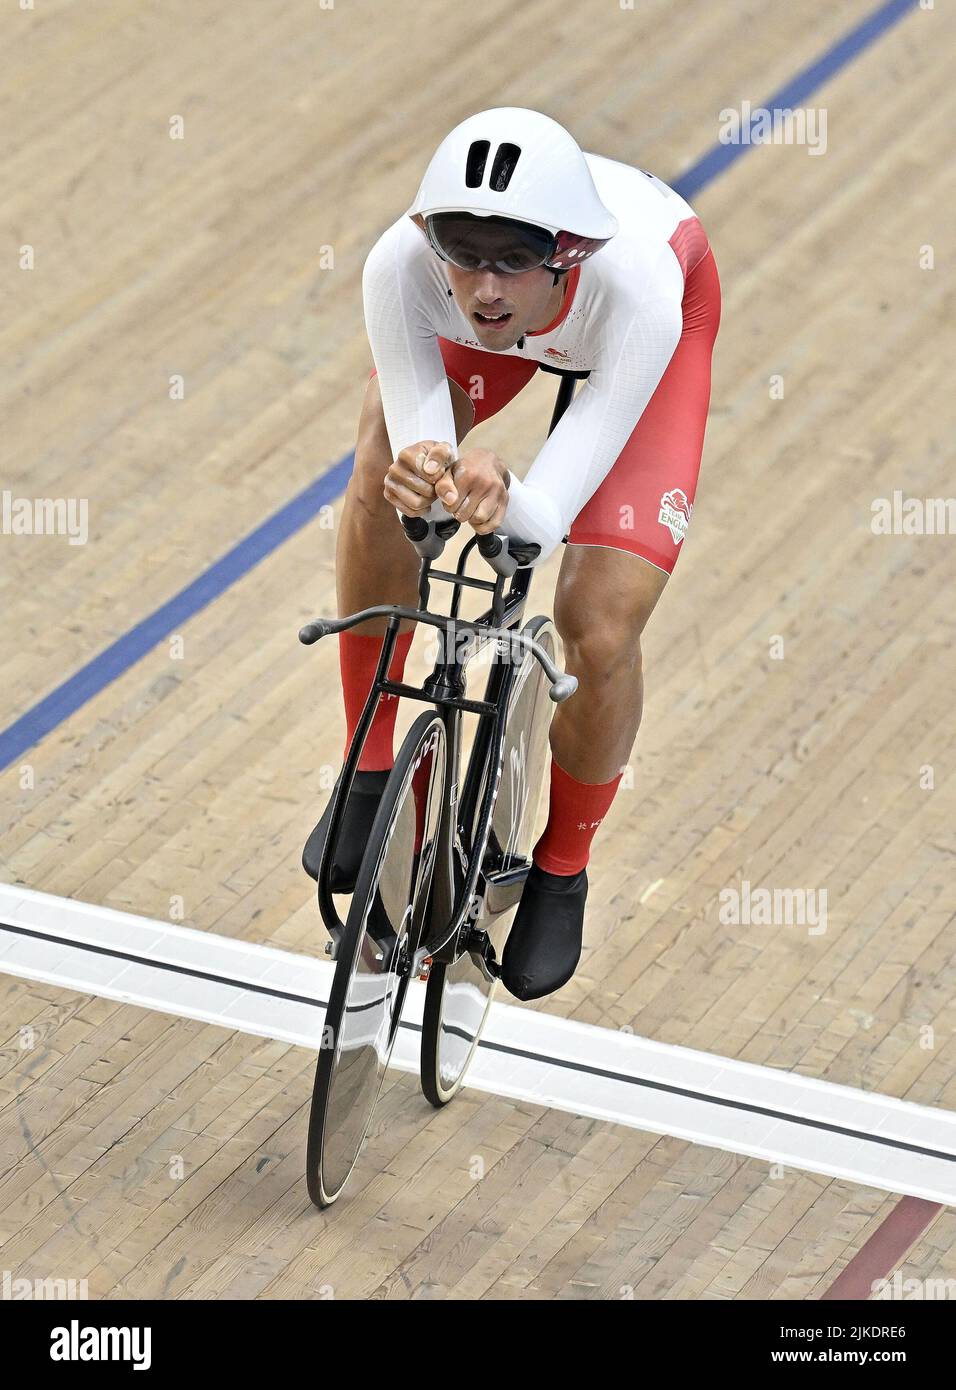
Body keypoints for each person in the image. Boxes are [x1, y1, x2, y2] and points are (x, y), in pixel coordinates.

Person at [304, 107, 720, 1002]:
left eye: (512, 262)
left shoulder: (637, 286)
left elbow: (538, 521)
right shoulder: (401, 265)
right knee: (385, 463)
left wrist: (503, 490)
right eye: (465, 254)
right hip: (552, 322)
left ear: (564, 252)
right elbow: (423, 466)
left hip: (640, 336)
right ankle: (370, 764)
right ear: (430, 238)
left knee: (598, 623)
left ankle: (563, 864)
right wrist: (433, 477)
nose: (485, 289)